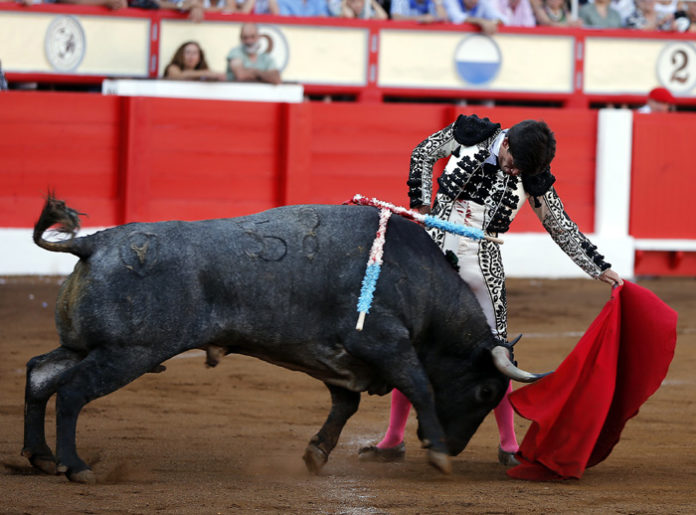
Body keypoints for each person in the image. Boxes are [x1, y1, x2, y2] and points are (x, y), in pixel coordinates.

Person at [358, 114, 623, 467]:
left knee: (498, 356)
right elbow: (423, 153)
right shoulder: (469, 135)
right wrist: (421, 204)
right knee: (415, 345)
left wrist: (599, 267)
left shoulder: (532, 173)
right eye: (514, 164)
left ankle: (509, 445)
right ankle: (392, 440)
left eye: (522, 171)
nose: (516, 174)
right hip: (434, 257)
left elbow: (560, 227)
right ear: (508, 142)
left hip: (485, 269)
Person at [443, 0, 507, 33]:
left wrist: (492, 23)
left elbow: (504, 19)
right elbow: (456, 17)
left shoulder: (482, 2)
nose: (473, 1)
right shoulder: (450, 1)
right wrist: (481, 22)